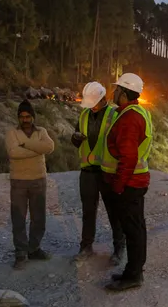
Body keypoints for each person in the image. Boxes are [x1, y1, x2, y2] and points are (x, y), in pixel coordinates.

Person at [100, 73, 153, 291]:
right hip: (135, 182)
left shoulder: (129, 118)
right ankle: (133, 271)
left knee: (132, 229)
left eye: (116, 89)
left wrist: (119, 186)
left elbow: (128, 156)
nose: (113, 93)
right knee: (136, 227)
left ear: (124, 92)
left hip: (129, 184)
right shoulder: (135, 112)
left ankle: (133, 275)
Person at [71, 82, 125, 265]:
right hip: (87, 170)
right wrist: (75, 138)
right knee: (88, 211)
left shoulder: (114, 115)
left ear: (103, 99)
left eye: (94, 102)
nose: (91, 106)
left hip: (107, 171)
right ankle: (86, 246)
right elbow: (76, 137)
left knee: (114, 212)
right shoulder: (84, 114)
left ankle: (119, 248)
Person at [5, 99, 55, 270]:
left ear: (33, 117)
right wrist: (36, 149)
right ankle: (20, 252)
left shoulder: (42, 131)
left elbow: (49, 147)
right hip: (19, 181)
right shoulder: (12, 133)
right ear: (18, 118)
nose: (25, 119)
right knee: (19, 218)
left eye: (28, 116)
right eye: (22, 117)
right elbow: (13, 153)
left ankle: (34, 249)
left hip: (38, 180)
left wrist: (26, 144)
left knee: (38, 217)